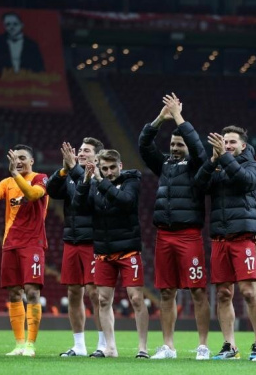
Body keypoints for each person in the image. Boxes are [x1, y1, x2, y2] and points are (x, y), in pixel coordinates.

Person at [138, 93, 210, 360]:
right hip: (164, 236)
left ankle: (202, 345)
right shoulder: (165, 165)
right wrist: (161, 118)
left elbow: (199, 150)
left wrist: (179, 117)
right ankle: (168, 346)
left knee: (197, 290)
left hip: (189, 235)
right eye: (172, 144)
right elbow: (144, 145)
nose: (175, 148)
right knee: (166, 291)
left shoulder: (196, 166)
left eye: (180, 144)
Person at [194, 125, 256, 360]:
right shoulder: (217, 165)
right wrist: (212, 161)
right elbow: (199, 186)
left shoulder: (253, 165)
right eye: (225, 142)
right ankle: (230, 346)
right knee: (223, 293)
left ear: (243, 145)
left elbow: (245, 181)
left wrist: (223, 158)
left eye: (232, 142)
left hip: (243, 236)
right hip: (219, 237)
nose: (227, 145)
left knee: (248, 292)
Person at [73, 149, 149, 358]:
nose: (109, 172)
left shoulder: (131, 181)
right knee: (103, 300)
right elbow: (79, 207)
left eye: (112, 167)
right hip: (103, 252)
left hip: (128, 251)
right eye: (104, 168)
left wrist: (100, 181)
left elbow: (126, 201)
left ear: (120, 166)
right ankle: (110, 347)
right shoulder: (94, 185)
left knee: (136, 298)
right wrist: (86, 182)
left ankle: (142, 348)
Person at [0, 144, 49, 357]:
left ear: (32, 161)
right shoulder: (7, 183)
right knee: (13, 293)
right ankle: (19, 344)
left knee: (32, 291)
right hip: (10, 243)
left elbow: (33, 194)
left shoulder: (40, 178)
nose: (18, 161)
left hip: (33, 243)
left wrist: (15, 174)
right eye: (15, 158)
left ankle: (30, 344)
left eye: (22, 158)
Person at [46, 137, 106, 357]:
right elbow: (51, 190)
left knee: (95, 293)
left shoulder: (100, 176)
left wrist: (74, 170)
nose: (81, 153)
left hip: (92, 242)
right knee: (73, 292)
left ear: (96, 157)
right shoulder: (71, 175)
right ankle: (79, 345)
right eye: (80, 150)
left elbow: (90, 198)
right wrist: (63, 170)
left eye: (86, 150)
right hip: (71, 240)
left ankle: (103, 344)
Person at [0, 12, 45, 76]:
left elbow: (40, 69)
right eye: (8, 24)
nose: (11, 27)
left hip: (27, 80)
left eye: (15, 24)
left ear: (22, 25)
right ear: (4, 26)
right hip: (2, 80)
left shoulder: (32, 45)